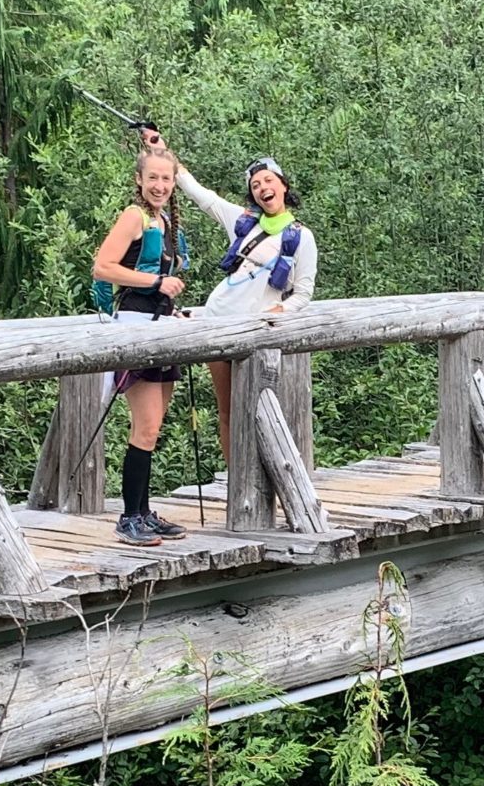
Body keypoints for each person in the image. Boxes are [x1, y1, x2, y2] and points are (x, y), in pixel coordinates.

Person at [140, 129, 318, 462]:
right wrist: (163, 152)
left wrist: (279, 313)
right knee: (228, 410)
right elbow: (199, 193)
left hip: (258, 332)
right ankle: (237, 481)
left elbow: (302, 294)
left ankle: (274, 483)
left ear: (283, 185)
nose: (263, 188)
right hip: (220, 321)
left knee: (265, 412)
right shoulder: (243, 221)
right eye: (256, 185)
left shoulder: (301, 237)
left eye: (268, 181)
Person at [90, 142, 193, 547]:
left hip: (160, 325)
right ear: (139, 180)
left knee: (150, 428)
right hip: (136, 326)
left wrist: (172, 306)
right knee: (146, 427)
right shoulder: (134, 216)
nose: (160, 185)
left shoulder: (163, 221)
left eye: (167, 179)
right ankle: (129, 516)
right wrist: (155, 283)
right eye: (153, 177)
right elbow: (103, 266)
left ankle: (143, 512)